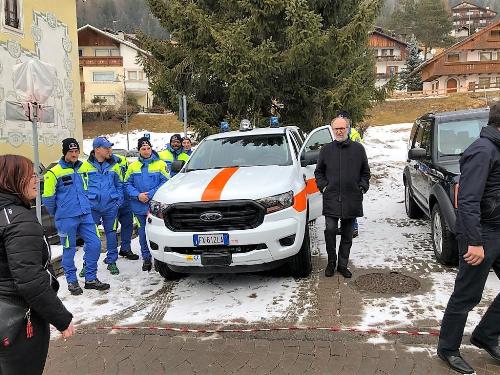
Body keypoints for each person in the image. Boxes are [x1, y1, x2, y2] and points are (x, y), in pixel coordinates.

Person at [437, 101, 500, 375]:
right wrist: (474, 242)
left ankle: (486, 334)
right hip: (481, 234)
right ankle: (448, 348)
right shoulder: (482, 151)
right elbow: (469, 199)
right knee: (466, 295)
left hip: (498, 230)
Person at [0, 154, 74, 374]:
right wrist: (61, 318)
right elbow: (30, 279)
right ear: (12, 179)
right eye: (30, 174)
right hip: (17, 322)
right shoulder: (20, 221)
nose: (37, 179)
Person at [43, 138, 110, 295]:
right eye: (70, 151)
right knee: (69, 249)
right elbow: (48, 198)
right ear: (65, 153)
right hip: (66, 218)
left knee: (94, 244)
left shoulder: (83, 168)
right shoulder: (54, 172)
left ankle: (91, 278)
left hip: (85, 214)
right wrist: (59, 212)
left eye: (76, 151)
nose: (74, 154)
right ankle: (72, 282)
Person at [314, 115, 370, 278]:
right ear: (333, 130)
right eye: (336, 128)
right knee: (330, 230)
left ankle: (342, 265)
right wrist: (323, 186)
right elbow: (319, 172)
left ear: (348, 129)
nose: (339, 131)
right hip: (331, 198)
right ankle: (331, 263)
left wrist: (362, 187)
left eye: (342, 128)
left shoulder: (358, 150)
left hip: (352, 198)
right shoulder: (326, 150)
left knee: (347, 234)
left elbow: (365, 172)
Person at [79, 137, 124, 275]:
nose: (110, 150)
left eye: (110, 147)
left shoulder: (114, 165)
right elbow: (81, 188)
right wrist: (86, 205)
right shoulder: (84, 167)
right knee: (90, 237)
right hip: (92, 208)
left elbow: (120, 185)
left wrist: (118, 202)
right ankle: (87, 264)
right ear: (97, 149)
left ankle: (112, 262)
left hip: (111, 206)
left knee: (111, 234)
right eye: (106, 148)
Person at [125, 137, 169, 271]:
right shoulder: (133, 166)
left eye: (148, 148)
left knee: (157, 232)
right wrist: (138, 195)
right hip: (138, 206)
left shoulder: (160, 164)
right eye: (143, 149)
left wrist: (149, 195)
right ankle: (146, 258)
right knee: (143, 233)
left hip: (155, 207)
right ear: (139, 151)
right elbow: (126, 184)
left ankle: (159, 258)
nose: (146, 151)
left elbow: (166, 183)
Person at [112, 152, 139, 261]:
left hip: (126, 199)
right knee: (111, 229)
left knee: (127, 225)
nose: (109, 150)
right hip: (113, 201)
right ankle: (112, 252)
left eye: (109, 148)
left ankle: (125, 249)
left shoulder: (122, 159)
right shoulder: (103, 162)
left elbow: (128, 178)